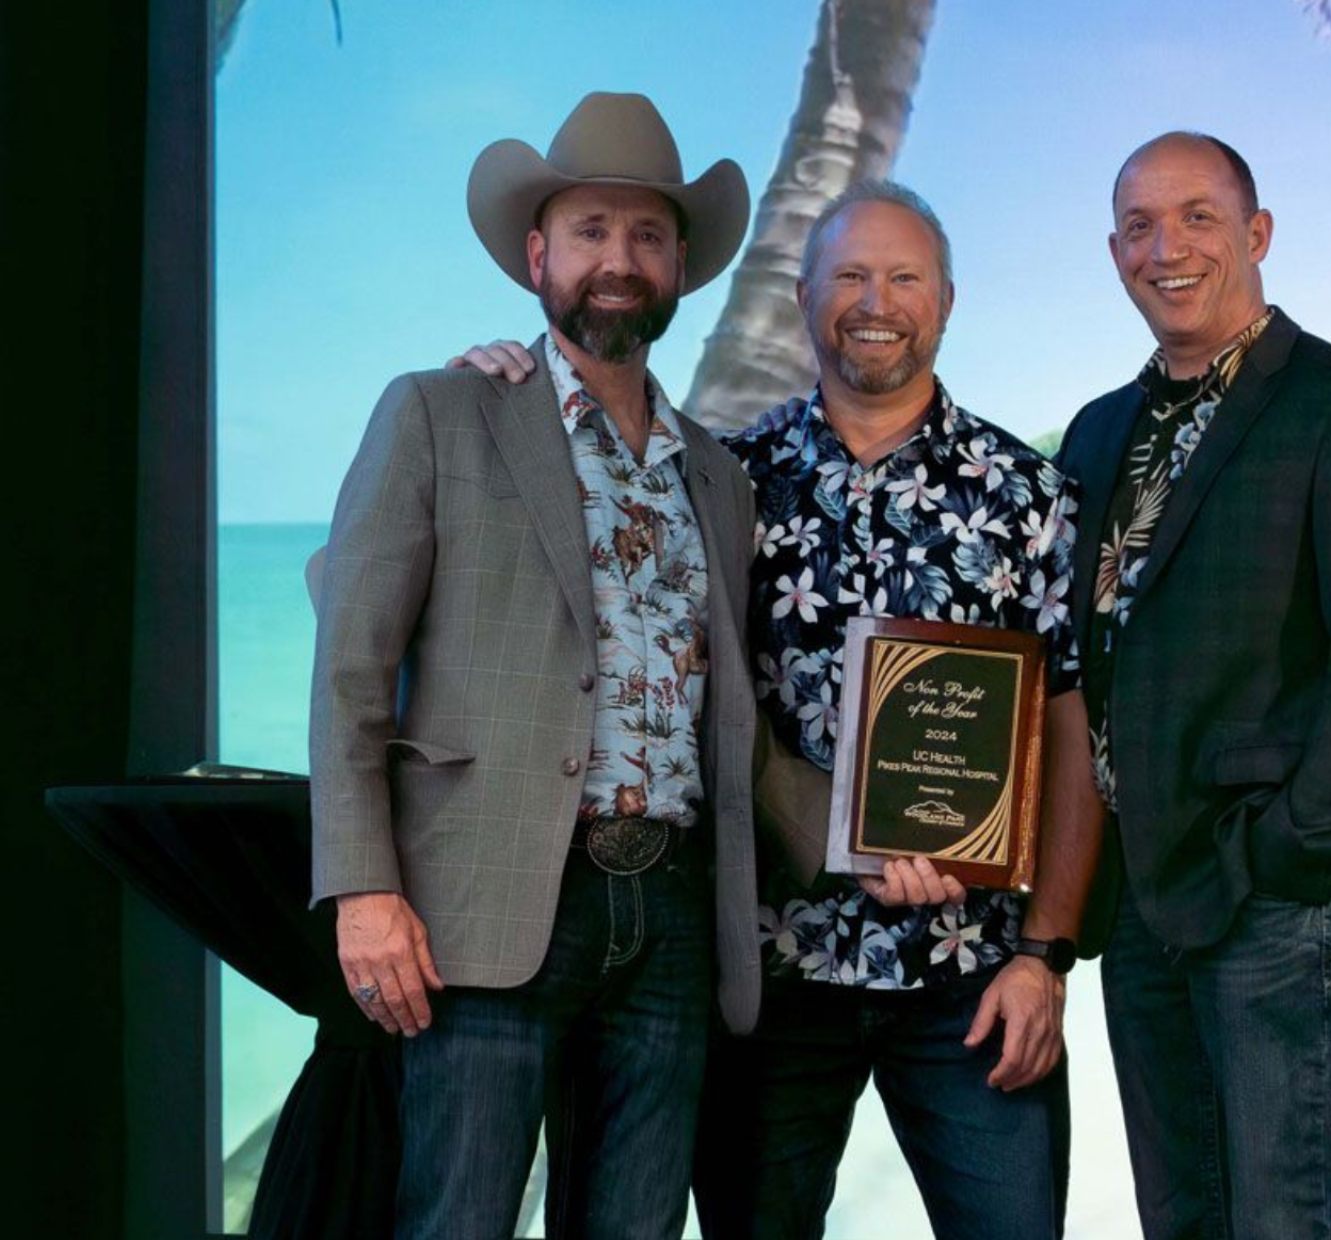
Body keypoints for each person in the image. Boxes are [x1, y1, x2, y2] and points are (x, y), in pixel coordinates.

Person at [457, 181, 1102, 1240]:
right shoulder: (720, 482)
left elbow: (1073, 735)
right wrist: (496, 384)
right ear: (804, 298)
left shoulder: (1032, 496)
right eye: (848, 275)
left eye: (902, 276)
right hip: (771, 973)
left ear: (947, 299)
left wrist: (1046, 956)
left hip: (974, 976)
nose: (874, 299)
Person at [308, 91, 759, 1240]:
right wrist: (362, 888)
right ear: (536, 254)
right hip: (487, 903)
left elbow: (736, 717)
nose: (620, 259)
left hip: (668, 910)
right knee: (457, 1221)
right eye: (592, 230)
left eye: (648, 234)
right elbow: (351, 664)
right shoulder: (442, 411)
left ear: (681, 265)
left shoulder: (719, 477)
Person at [1055, 131, 1331, 1240]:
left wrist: (1292, 847)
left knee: (1291, 1221)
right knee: (1185, 1221)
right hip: (1138, 903)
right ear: (1114, 250)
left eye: (1197, 217)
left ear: (1256, 233)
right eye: (1138, 225)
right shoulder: (1095, 434)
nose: (1164, 247)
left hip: (1283, 896)